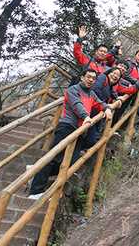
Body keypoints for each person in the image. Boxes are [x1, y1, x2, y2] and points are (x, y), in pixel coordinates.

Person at [28, 69, 115, 198]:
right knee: (54, 157)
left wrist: (107, 108)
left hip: (80, 132)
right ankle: (35, 191)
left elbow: (101, 103)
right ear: (82, 77)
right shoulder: (73, 90)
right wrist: (86, 116)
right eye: (88, 77)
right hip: (67, 126)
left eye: (93, 78)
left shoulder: (91, 94)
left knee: (71, 163)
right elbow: (77, 105)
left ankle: (35, 171)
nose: (90, 80)